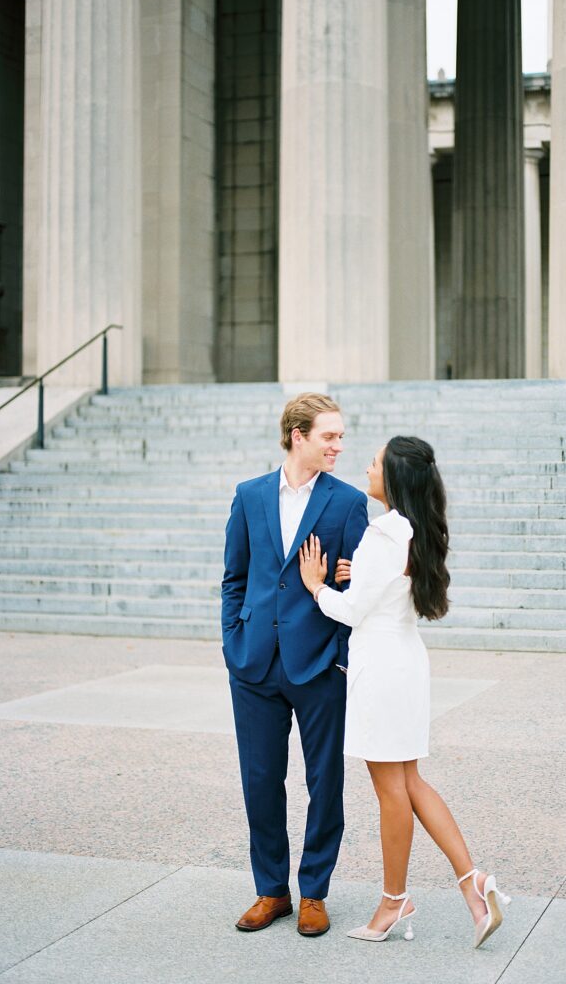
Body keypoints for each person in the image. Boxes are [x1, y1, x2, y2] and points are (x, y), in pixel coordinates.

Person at [298, 436, 510, 948]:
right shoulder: (411, 531)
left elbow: (350, 613)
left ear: (392, 478)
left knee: (390, 788)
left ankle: (394, 900)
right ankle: (473, 883)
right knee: (410, 780)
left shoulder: (382, 534)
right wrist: (356, 575)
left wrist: (317, 585)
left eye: (374, 462)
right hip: (406, 663)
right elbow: (388, 589)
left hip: (382, 670)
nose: (367, 467)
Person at [221, 393, 369, 937]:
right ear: (297, 435)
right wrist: (232, 640)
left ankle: (314, 892)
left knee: (324, 781)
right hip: (254, 664)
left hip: (318, 664)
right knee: (260, 779)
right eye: (329, 436)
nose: (338, 445)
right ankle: (271, 891)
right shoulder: (249, 495)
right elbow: (234, 577)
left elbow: (360, 585)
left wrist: (343, 659)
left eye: (340, 436)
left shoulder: (349, 502)